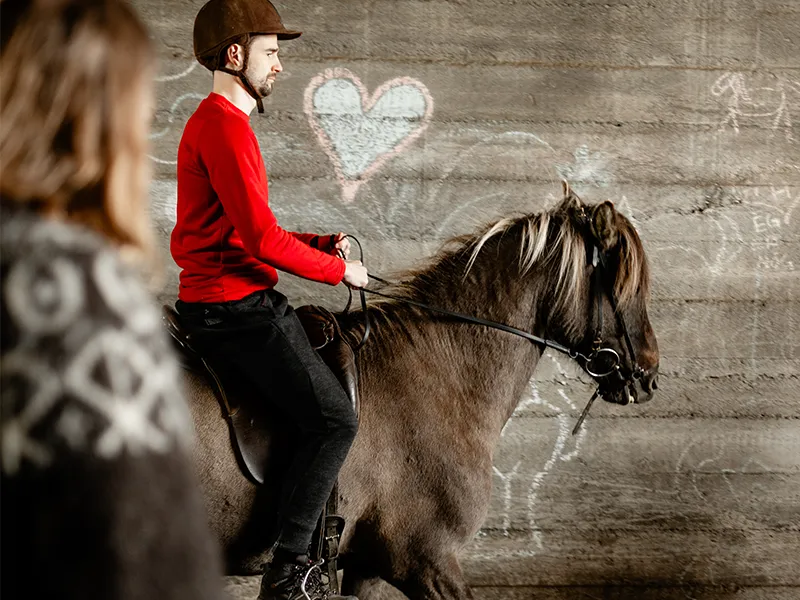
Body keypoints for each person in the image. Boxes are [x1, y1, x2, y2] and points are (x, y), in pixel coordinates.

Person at [0, 0, 224, 599]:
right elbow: (153, 560)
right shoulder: (72, 290)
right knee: (330, 416)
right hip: (230, 302)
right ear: (103, 125)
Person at [170, 0, 367, 598]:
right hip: (236, 310)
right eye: (271, 52)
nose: (279, 65)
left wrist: (318, 243)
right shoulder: (227, 129)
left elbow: (241, 229)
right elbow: (258, 239)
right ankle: (288, 574)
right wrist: (340, 274)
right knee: (335, 420)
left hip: (219, 294)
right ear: (236, 55)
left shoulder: (217, 123)